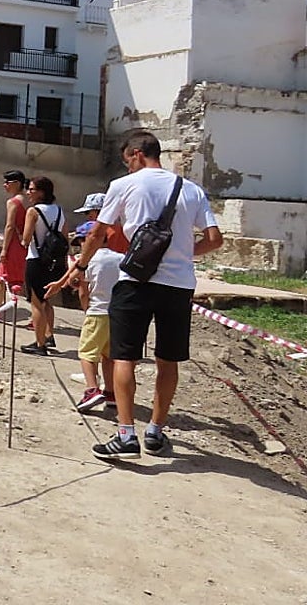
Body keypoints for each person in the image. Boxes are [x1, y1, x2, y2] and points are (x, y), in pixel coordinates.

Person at [48, 131, 222, 462]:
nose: (127, 164)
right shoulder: (191, 189)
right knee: (168, 360)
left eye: (127, 158)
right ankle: (155, 432)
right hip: (179, 285)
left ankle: (126, 435)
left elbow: (99, 231)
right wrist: (184, 254)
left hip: (137, 281)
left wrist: (80, 266)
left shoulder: (124, 186)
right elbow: (215, 239)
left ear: (137, 154)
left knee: (124, 355)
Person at [70, 192, 122, 412]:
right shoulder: (120, 258)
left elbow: (84, 292)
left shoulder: (88, 261)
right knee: (109, 355)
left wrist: (86, 310)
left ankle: (92, 389)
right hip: (118, 313)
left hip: (97, 311)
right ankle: (111, 392)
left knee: (87, 353)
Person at [19, 175, 67, 355]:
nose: (28, 192)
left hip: (36, 259)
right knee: (47, 301)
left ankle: (40, 344)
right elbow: (64, 236)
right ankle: (49, 335)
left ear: (41, 192)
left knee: (36, 303)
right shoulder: (60, 211)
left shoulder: (33, 211)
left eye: (31, 189)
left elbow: (25, 239)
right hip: (55, 262)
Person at [0, 170, 28, 321]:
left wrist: (4, 249)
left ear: (17, 183)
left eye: (8, 182)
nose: (5, 185)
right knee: (21, 279)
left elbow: (10, 226)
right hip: (26, 245)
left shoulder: (13, 202)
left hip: (14, 244)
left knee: (2, 278)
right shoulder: (29, 201)